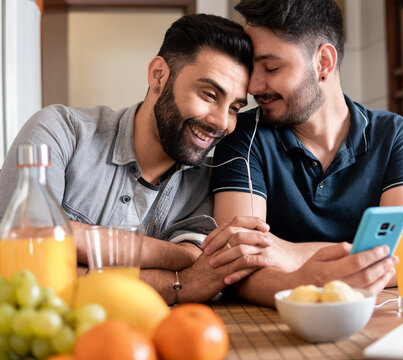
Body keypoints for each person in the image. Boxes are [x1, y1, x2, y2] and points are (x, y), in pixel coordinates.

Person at [0, 14, 273, 305]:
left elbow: (203, 265)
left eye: (234, 107)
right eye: (208, 94)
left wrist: (68, 240)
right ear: (158, 76)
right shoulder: (58, 132)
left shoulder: (209, 181)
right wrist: (181, 269)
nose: (222, 122)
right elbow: (22, 260)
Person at [204, 0, 403, 307]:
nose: (254, 86)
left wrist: (290, 253)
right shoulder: (242, 135)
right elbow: (235, 263)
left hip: (371, 318)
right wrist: (327, 274)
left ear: (323, 63)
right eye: (252, 69)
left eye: (271, 67)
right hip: (276, 325)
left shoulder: (394, 136)